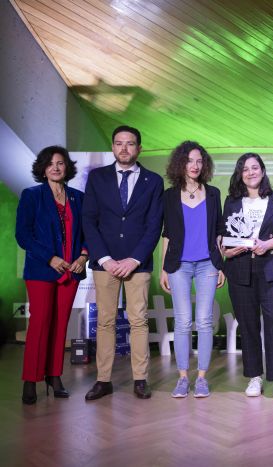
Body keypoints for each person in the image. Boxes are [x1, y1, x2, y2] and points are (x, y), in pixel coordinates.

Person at [82, 125, 164, 400]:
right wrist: (104, 259)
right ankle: (103, 380)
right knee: (105, 322)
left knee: (138, 321)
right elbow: (88, 220)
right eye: (119, 143)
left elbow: (154, 225)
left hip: (137, 263)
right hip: (104, 263)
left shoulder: (153, 181)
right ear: (113, 147)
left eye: (130, 144)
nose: (124, 148)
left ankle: (140, 379)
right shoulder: (97, 178)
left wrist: (134, 259)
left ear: (139, 148)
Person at [221, 153, 273, 403]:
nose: (250, 172)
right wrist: (226, 251)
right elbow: (223, 234)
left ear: (263, 171)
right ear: (239, 174)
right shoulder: (232, 201)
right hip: (240, 269)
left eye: (255, 168)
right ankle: (255, 377)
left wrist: (267, 245)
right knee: (248, 325)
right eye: (245, 169)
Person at [16, 146, 88, 404]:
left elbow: (88, 232)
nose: (55, 167)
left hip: (72, 271)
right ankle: (30, 379)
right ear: (43, 169)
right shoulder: (32, 195)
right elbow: (23, 235)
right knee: (40, 323)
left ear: (67, 167)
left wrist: (83, 256)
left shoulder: (79, 198)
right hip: (41, 270)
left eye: (60, 163)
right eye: (50, 163)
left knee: (60, 324)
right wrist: (50, 257)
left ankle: (54, 375)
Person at [160, 141, 226, 398]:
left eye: (199, 161)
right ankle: (182, 378)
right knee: (183, 321)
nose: (195, 165)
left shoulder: (214, 194)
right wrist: (163, 269)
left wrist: (221, 265)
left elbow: (219, 233)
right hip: (179, 265)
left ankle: (201, 378)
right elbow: (167, 234)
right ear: (180, 163)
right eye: (189, 160)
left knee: (205, 320)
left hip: (208, 263)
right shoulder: (169, 196)